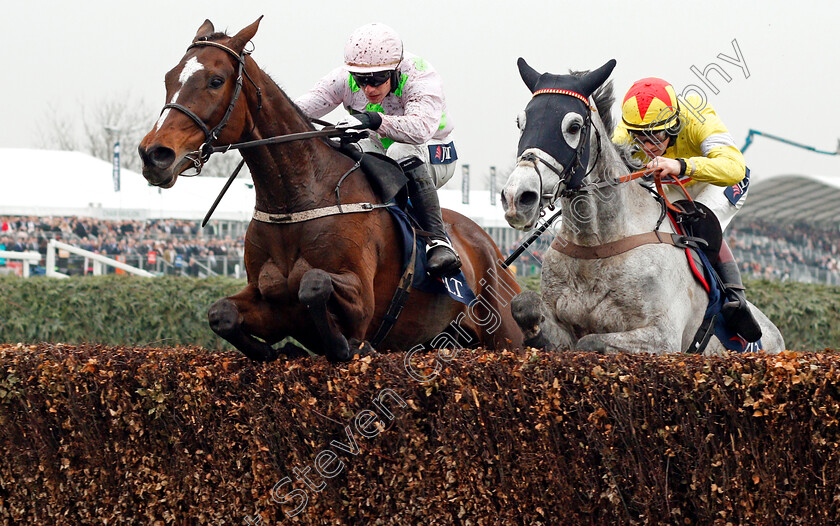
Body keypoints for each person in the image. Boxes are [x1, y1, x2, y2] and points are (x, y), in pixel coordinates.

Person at [294, 22, 461, 278]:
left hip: (431, 152)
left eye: (377, 79)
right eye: (361, 80)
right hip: (381, 151)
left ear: (395, 70)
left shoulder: (419, 75)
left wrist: (375, 119)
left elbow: (421, 129)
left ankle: (438, 241)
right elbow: (298, 111)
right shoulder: (343, 78)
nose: (368, 88)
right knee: (346, 151)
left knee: (400, 152)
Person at [613, 77, 762, 342]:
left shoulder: (697, 115)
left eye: (655, 136)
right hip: (672, 183)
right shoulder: (625, 133)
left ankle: (735, 299)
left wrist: (681, 165)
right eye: (640, 138)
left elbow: (734, 167)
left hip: (718, 180)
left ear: (674, 124)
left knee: (695, 222)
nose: (647, 147)